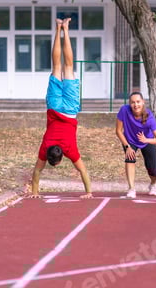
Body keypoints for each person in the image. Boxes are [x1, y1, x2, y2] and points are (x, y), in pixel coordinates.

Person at [30, 18, 92, 199]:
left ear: (60, 157)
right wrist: (34, 190)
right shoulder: (45, 147)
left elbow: (83, 171)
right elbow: (36, 172)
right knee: (57, 66)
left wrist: (89, 192)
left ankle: (65, 28)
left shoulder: (69, 148)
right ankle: (59, 27)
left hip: (70, 110)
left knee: (69, 66)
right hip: (54, 106)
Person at [115, 92, 156, 199]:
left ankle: (153, 184)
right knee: (130, 158)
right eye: (133, 102)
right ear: (129, 104)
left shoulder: (149, 117)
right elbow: (118, 131)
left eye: (138, 102)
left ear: (143, 102)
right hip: (130, 140)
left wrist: (146, 140)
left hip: (146, 140)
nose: (135, 105)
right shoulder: (124, 110)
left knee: (154, 170)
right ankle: (131, 189)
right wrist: (127, 147)